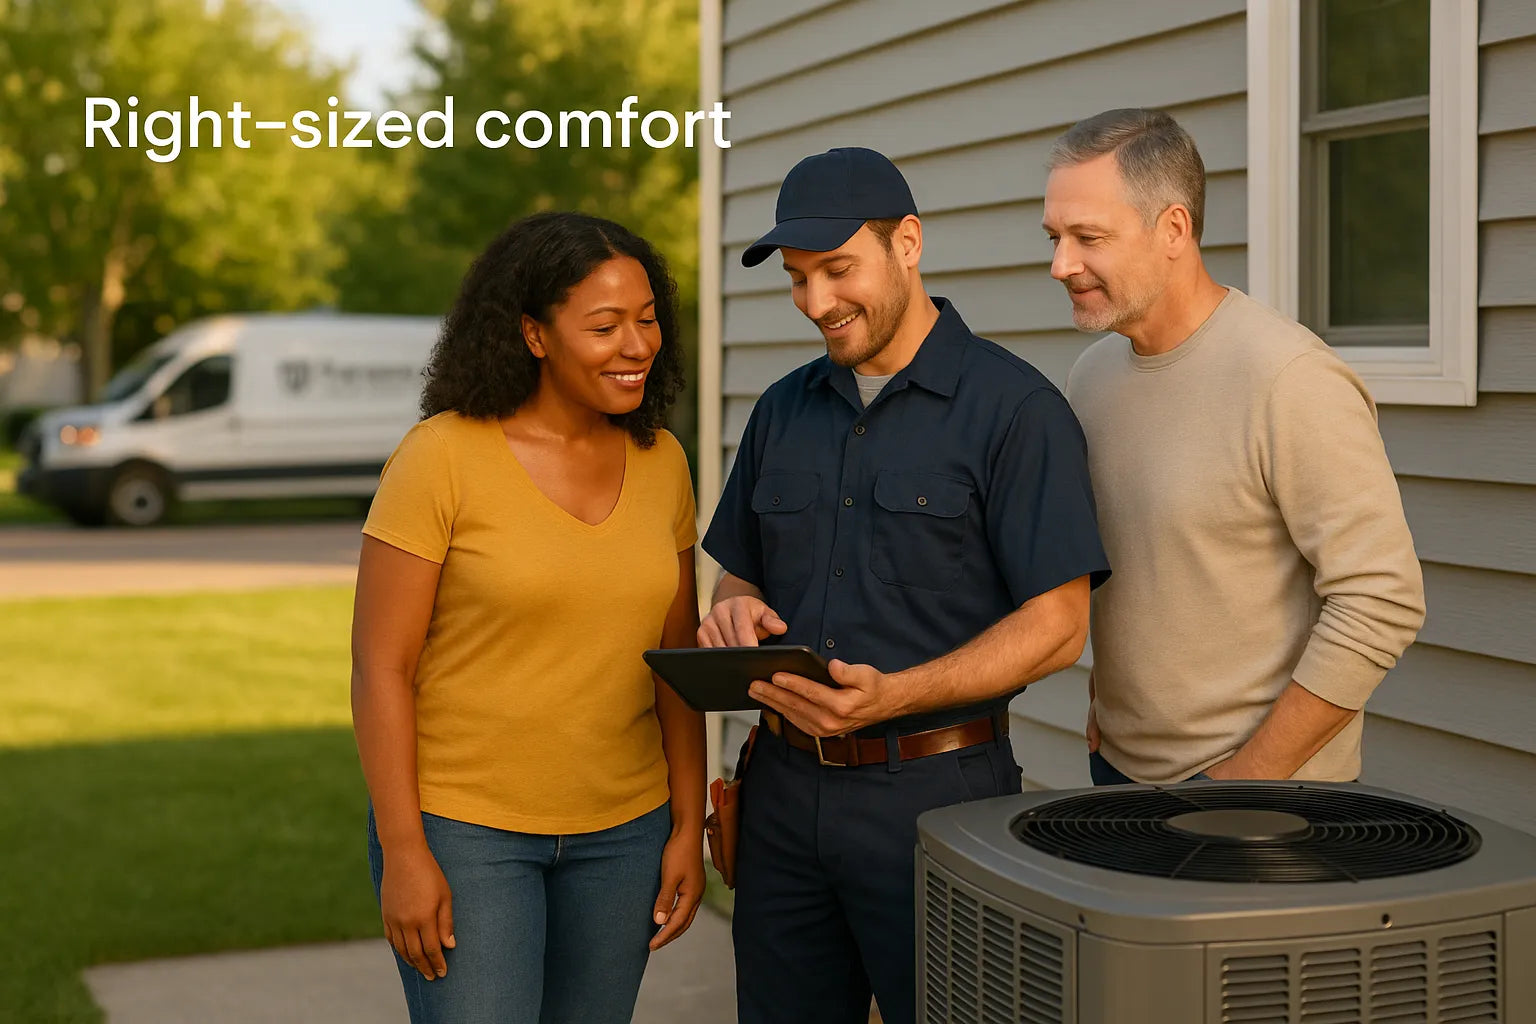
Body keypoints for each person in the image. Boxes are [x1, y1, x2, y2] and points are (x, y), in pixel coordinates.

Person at [699, 147, 1110, 1024]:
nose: (817, 304)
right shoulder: (781, 409)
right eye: (800, 280)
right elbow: (740, 568)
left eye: (839, 270)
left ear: (909, 243)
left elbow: (1058, 626)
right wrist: (731, 605)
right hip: (778, 799)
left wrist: (894, 698)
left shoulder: (1016, 411)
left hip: (939, 799)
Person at [349, 211, 706, 1024]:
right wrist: (405, 852)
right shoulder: (440, 456)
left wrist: (687, 823)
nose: (638, 345)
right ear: (534, 335)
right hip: (468, 833)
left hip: (624, 835)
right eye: (605, 325)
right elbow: (381, 669)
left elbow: (676, 663)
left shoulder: (664, 464)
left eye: (648, 319)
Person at [1046, 108, 1427, 786]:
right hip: (1119, 772)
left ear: (1172, 229)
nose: (1060, 264)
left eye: (1087, 237)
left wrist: (1249, 778)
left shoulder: (1289, 377)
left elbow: (1381, 601)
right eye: (1055, 237)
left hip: (1260, 799)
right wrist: (1108, 699)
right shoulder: (1092, 378)